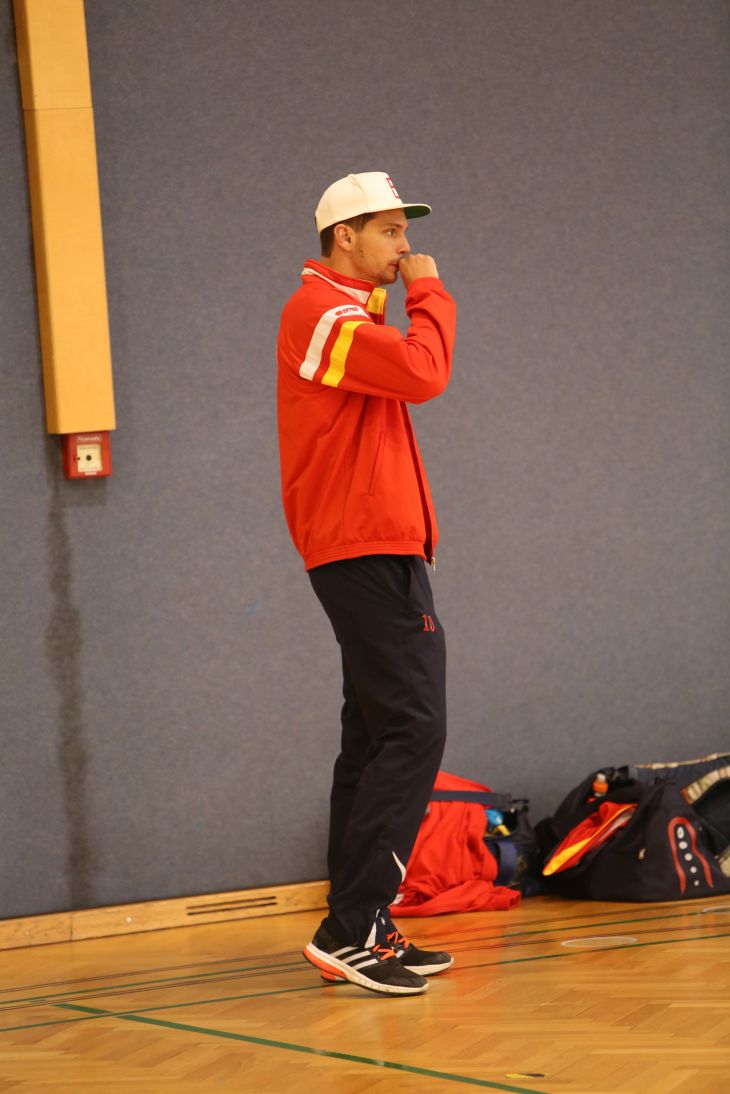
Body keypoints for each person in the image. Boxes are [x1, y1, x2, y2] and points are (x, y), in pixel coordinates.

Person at [277, 171, 457, 996]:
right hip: (362, 547)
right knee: (415, 728)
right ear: (343, 236)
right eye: (389, 231)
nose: (405, 246)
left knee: (377, 735)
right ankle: (350, 926)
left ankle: (361, 924)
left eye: (405, 232)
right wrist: (431, 293)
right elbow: (424, 372)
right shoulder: (321, 312)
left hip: (375, 547)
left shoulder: (351, 315)